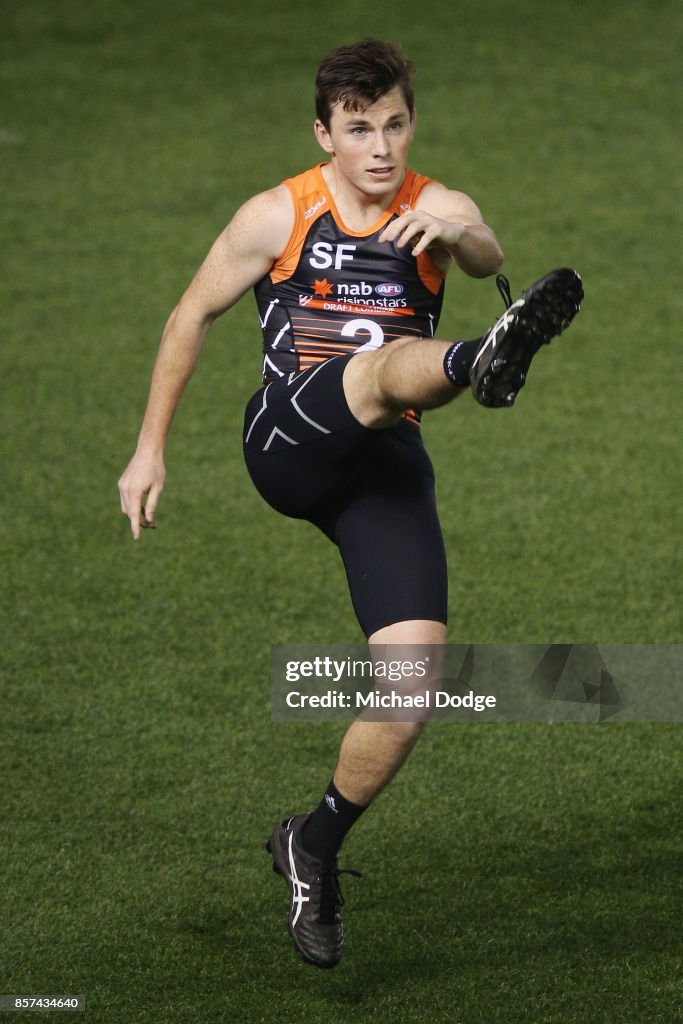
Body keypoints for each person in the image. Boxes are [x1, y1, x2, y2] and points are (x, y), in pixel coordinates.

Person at [118, 39, 582, 970]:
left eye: (395, 124)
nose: (380, 148)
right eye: (359, 128)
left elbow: (487, 245)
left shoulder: (434, 205)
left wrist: (454, 236)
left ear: (412, 120)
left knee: (412, 686)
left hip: (380, 460)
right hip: (287, 438)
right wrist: (148, 447)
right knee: (370, 373)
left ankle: (313, 845)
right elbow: (189, 315)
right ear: (323, 131)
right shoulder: (277, 214)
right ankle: (475, 357)